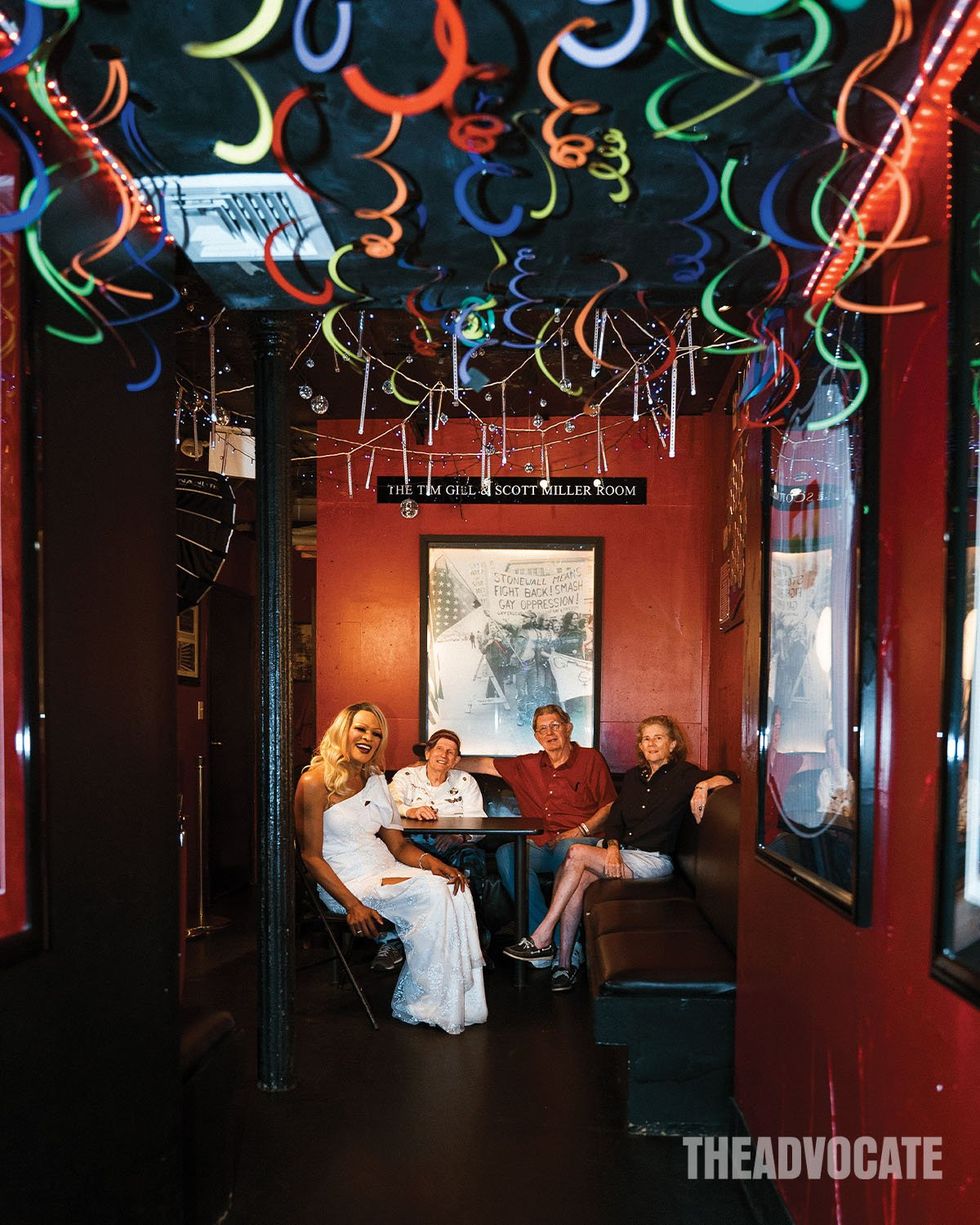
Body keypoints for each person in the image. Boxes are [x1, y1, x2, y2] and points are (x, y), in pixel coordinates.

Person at [504, 714, 733, 991]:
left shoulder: (685, 774)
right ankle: (564, 964)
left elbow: (730, 778)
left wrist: (703, 785)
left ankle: (542, 936)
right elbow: (616, 820)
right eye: (646, 738)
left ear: (672, 744)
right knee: (576, 881)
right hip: (622, 852)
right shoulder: (634, 777)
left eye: (658, 737)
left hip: (652, 860)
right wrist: (612, 847)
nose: (651, 743)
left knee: (576, 853)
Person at [297, 703, 487, 1034]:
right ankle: (423, 1002)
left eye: (376, 733)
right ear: (344, 730)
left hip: (383, 868)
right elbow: (310, 856)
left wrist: (435, 864)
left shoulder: (374, 778)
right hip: (345, 883)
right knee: (432, 892)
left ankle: (458, 1003)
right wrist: (352, 905)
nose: (368, 738)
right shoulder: (314, 782)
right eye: (361, 729)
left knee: (454, 887)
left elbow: (398, 846)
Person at [487, 704, 616, 968]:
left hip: (580, 841)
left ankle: (566, 943)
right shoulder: (527, 764)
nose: (549, 732)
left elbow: (609, 805)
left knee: (569, 850)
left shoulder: (590, 759)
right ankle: (541, 942)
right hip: (542, 844)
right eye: (542, 728)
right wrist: (437, 760)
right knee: (507, 853)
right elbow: (482, 763)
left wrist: (581, 830)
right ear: (536, 736)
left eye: (555, 725)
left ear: (568, 728)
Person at [380, 729, 490, 970]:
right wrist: (411, 810)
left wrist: (459, 837)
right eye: (439, 748)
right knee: (393, 870)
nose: (444, 755)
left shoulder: (465, 782)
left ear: (456, 760)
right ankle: (391, 943)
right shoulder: (407, 776)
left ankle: (475, 942)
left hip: (452, 846)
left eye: (451, 752)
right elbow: (389, 803)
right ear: (428, 753)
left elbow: (479, 822)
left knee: (473, 861)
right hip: (412, 844)